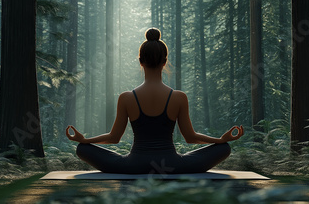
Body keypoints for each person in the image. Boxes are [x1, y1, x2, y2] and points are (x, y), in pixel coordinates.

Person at [65, 28, 244, 174]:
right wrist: (220, 140)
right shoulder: (178, 97)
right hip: (172, 165)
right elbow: (190, 137)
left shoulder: (126, 98)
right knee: (224, 149)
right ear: (165, 62)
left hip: (133, 166)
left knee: (82, 149)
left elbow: (114, 138)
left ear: (140, 61)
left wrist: (85, 140)